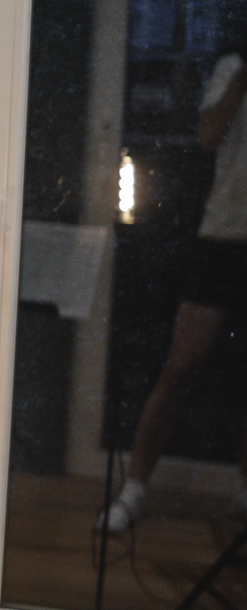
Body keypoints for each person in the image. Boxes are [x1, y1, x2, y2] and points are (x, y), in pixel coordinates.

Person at [105, 49, 247, 533]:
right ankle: (133, 490)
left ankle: (244, 493)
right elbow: (208, 136)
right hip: (223, 235)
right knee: (182, 365)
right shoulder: (233, 67)